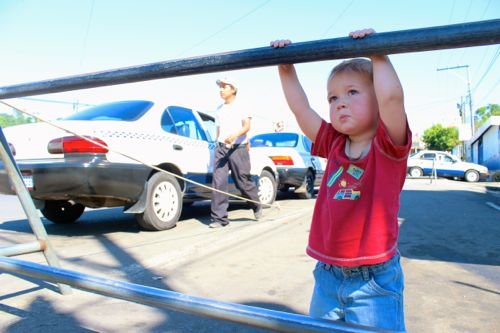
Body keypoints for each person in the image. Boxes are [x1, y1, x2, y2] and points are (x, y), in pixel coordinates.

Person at [270, 28, 411, 331]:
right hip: (327, 275)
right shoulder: (333, 143)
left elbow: (392, 98)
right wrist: (285, 66)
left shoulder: (389, 146)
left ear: (377, 102)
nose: (340, 103)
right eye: (333, 97)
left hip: (374, 280)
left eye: (353, 92)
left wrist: (378, 52)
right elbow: (301, 109)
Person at [209, 77, 262, 228]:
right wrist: (217, 141)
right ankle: (219, 219)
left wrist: (235, 136)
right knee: (218, 182)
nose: (221, 89)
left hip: (238, 148)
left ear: (233, 89)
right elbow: (218, 130)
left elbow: (247, 126)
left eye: (224, 87)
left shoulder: (243, 106)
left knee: (242, 182)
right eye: (220, 87)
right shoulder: (218, 109)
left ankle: (255, 204)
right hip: (221, 148)